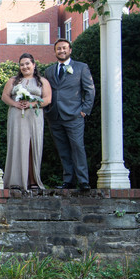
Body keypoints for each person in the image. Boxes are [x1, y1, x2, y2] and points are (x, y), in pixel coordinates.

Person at [43, 38, 95, 190]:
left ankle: (84, 181)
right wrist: (47, 111)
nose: (62, 51)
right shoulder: (49, 71)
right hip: (55, 116)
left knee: (78, 147)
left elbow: (89, 90)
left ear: (70, 50)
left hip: (74, 116)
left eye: (64, 48)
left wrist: (85, 110)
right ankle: (68, 181)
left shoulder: (81, 68)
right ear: (55, 51)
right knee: (63, 149)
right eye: (59, 49)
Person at [1, 53, 52, 190]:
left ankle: (33, 180)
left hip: (34, 116)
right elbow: (5, 96)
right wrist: (15, 104)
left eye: (27, 64)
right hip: (17, 115)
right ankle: (15, 180)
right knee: (17, 144)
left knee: (32, 145)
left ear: (34, 65)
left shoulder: (42, 81)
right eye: (22, 64)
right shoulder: (13, 81)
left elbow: (47, 99)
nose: (25, 67)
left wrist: (33, 104)